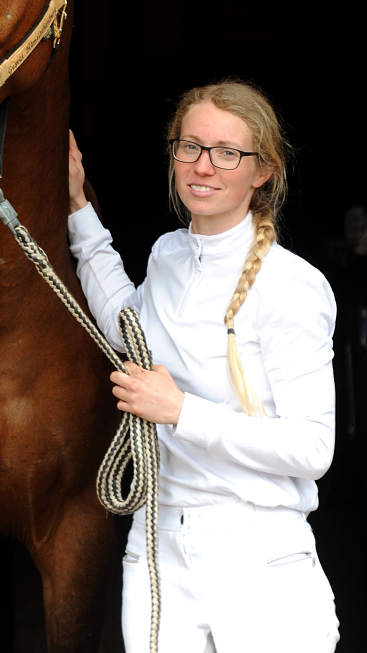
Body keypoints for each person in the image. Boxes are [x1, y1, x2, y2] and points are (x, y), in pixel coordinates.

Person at [67, 80, 339, 653]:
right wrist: (77, 208)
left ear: (261, 171)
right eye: (189, 146)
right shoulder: (167, 255)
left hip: (257, 553)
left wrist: (181, 412)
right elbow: (127, 327)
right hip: (157, 546)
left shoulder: (292, 286)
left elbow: (313, 448)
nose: (203, 166)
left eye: (227, 152)